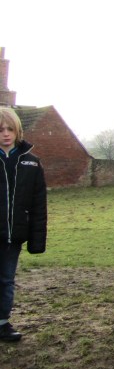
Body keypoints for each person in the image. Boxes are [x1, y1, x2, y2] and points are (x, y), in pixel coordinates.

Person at [0, 107, 47, 342]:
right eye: (1, 130)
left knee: (6, 280)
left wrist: (37, 241)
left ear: (17, 130)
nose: (6, 134)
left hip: (14, 236)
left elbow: (39, 203)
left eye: (10, 129)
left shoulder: (32, 163)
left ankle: (2, 323)